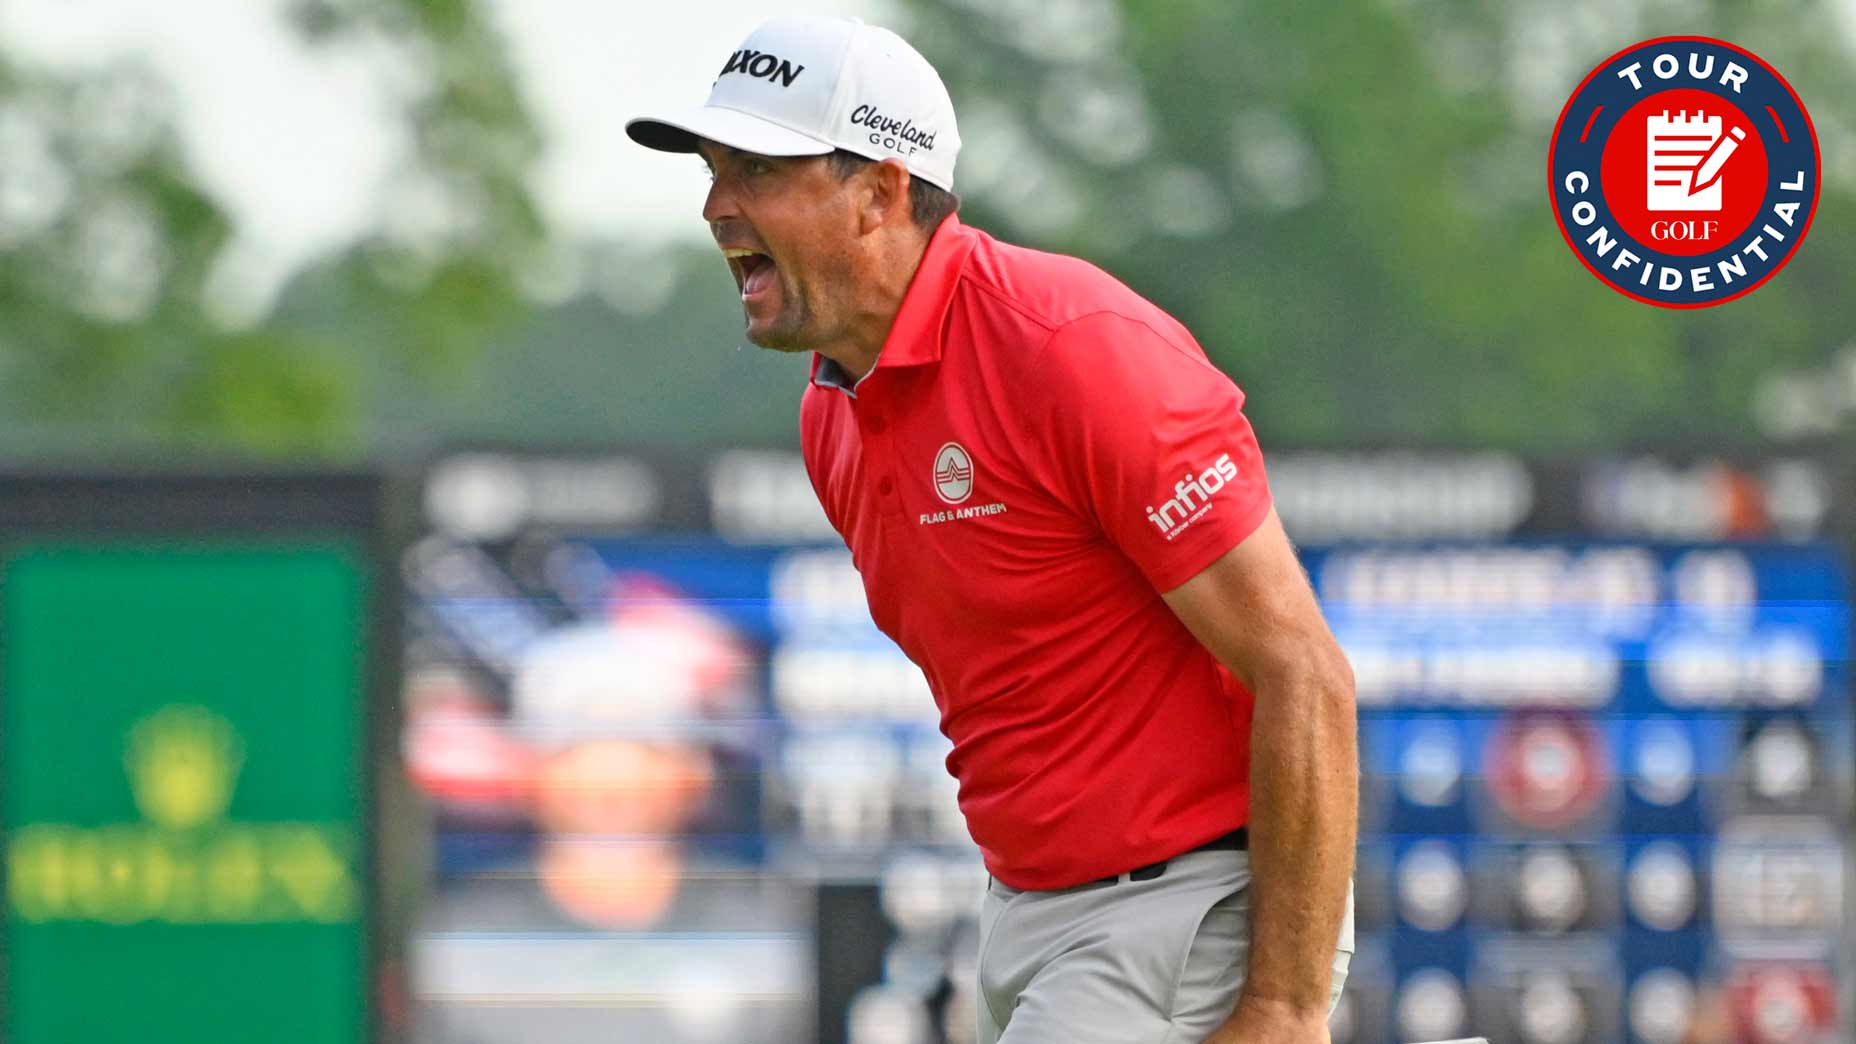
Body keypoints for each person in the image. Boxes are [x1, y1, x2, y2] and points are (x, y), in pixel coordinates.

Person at [628, 15, 1357, 1044]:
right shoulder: (829, 411)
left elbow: (1304, 674)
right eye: (711, 170)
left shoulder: (1072, 348)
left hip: (1187, 910)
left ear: (879, 192)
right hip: (1026, 918)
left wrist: (1281, 1011)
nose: (715, 207)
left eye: (755, 168)